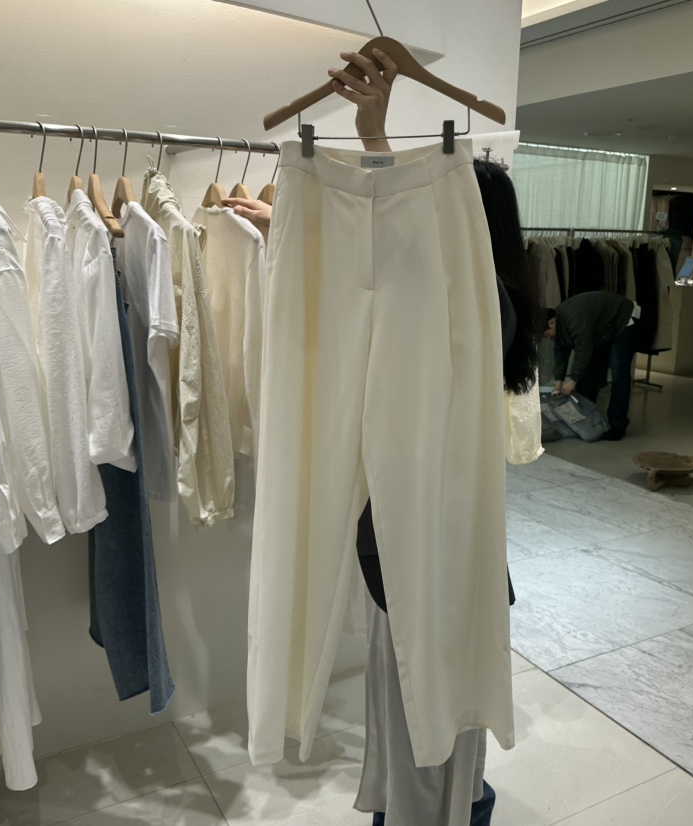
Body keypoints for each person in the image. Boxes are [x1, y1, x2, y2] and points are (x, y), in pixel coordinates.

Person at [224, 47, 539, 826]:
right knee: (409, 702)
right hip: (418, 552)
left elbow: (403, 269)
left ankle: (440, 808)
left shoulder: (479, 301)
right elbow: (390, 259)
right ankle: (418, 804)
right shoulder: (471, 292)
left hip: (437, 548)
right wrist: (327, 200)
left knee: (429, 705)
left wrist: (365, 167)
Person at [543, 291, 638, 441]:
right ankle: (588, 420)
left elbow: (584, 349)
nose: (546, 337)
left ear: (552, 323)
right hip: (602, 328)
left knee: (619, 372)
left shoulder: (573, 318)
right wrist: (558, 383)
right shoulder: (560, 324)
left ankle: (618, 425)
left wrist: (573, 380)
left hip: (622, 319)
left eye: (545, 333)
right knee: (587, 375)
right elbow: (560, 354)